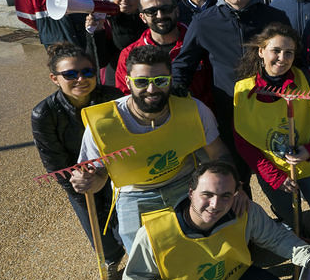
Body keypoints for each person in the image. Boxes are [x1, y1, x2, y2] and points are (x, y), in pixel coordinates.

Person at [121, 161, 310, 280]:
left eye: (225, 196)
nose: (215, 205)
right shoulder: (155, 233)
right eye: (207, 194)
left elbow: (276, 238)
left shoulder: (243, 211)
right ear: (191, 192)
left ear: (236, 194)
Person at [72, 45, 231, 251]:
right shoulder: (102, 124)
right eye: (141, 82)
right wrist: (87, 182)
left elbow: (218, 154)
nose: (151, 89)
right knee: (141, 252)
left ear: (170, 80)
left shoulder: (194, 110)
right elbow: (98, 180)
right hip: (134, 192)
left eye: (160, 81)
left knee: (210, 242)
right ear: (128, 81)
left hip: (185, 183)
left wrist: (231, 190)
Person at [172, 0, 291, 189]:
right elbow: (183, 65)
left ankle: (283, 210)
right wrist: (175, 91)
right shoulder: (203, 22)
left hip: (271, 110)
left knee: (279, 177)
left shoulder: (275, 17)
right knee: (237, 181)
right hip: (230, 113)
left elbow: (295, 59)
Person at [233, 23, 310, 234]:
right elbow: (243, 141)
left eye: (288, 52)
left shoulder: (307, 80)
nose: (282, 58)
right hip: (273, 171)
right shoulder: (243, 90)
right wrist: (274, 176)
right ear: (261, 51)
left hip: (309, 166)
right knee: (292, 223)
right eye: (276, 51)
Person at [32, 43, 125, 277]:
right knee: (95, 226)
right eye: (70, 74)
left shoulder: (113, 97)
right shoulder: (44, 114)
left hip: (116, 169)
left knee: (125, 220)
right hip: (78, 177)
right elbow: (55, 162)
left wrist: (106, 174)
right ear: (55, 78)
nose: (80, 79)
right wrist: (80, 184)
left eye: (87, 72)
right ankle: (110, 260)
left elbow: (125, 140)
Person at [116, 0, 212, 102]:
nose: (160, 15)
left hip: (200, 110)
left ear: (176, 11)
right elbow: (126, 96)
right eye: (151, 11)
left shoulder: (201, 42)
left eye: (166, 9)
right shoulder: (129, 54)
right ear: (143, 17)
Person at [92, 0, 146, 86]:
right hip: (115, 75)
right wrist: (96, 31)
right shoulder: (105, 21)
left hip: (144, 74)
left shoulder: (147, 20)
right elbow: (99, 60)